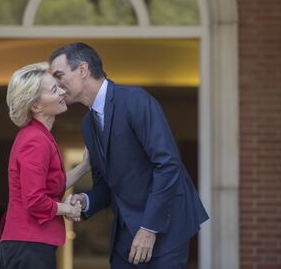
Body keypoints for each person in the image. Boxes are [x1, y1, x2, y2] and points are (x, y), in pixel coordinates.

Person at [49, 43, 209, 268]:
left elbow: (168, 164)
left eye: (59, 75)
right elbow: (106, 187)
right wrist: (86, 200)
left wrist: (149, 228)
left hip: (165, 225)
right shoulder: (87, 125)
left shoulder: (135, 100)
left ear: (83, 70)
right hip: (125, 231)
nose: (55, 84)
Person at [0, 62, 90, 269]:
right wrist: (68, 209)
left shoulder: (39, 135)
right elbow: (35, 200)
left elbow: (53, 185)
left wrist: (85, 167)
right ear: (36, 106)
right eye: (54, 90)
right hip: (28, 244)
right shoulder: (35, 140)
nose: (62, 91)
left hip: (30, 243)